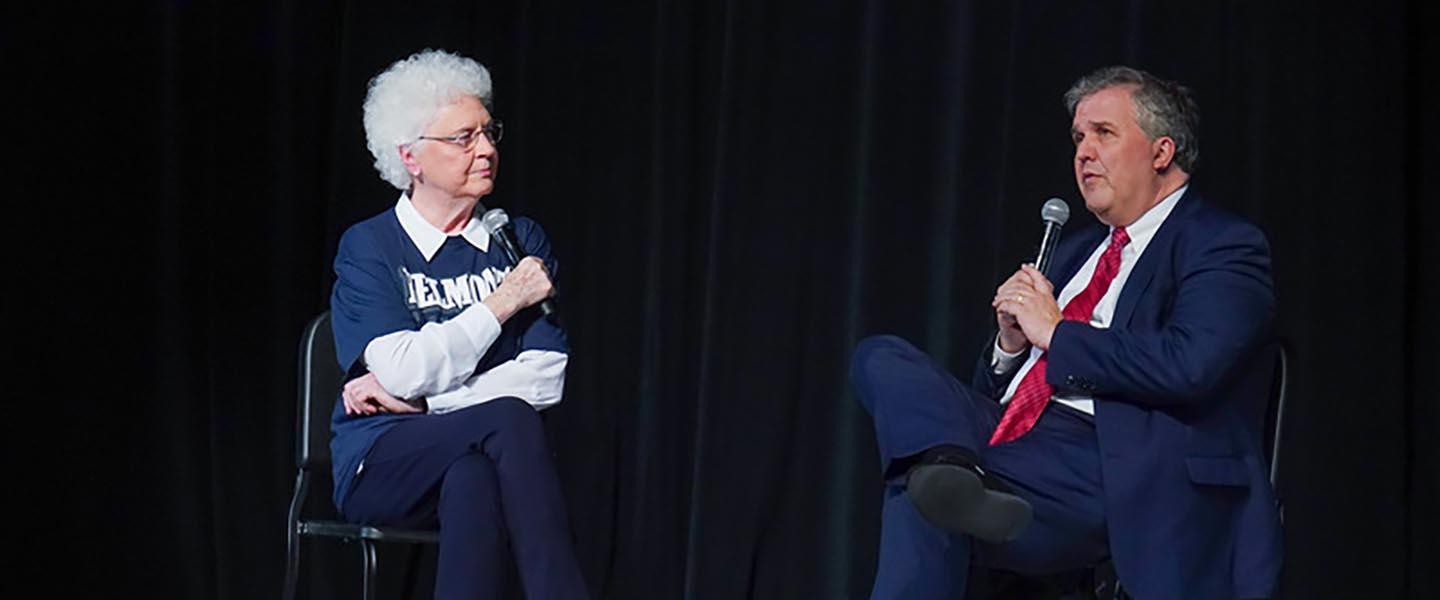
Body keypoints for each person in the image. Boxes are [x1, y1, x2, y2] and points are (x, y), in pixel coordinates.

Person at [851, 66, 1282, 600]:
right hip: (1018, 442)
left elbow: (1189, 365)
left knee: (916, 492)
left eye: (1103, 133)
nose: (1083, 152)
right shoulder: (1077, 249)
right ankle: (951, 467)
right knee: (881, 356)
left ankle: (946, 474)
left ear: (1162, 151)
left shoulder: (1221, 244)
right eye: (1078, 136)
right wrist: (1010, 345)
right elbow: (995, 393)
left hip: (1114, 455)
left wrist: (1056, 334)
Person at [328, 49, 589, 600]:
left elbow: (546, 376)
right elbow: (399, 370)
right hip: (382, 457)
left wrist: (430, 401)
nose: (488, 150)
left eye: (489, 132)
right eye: (463, 138)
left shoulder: (517, 240)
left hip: (470, 449)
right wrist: (502, 302)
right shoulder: (370, 246)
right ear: (411, 157)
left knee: (474, 475)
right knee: (510, 421)